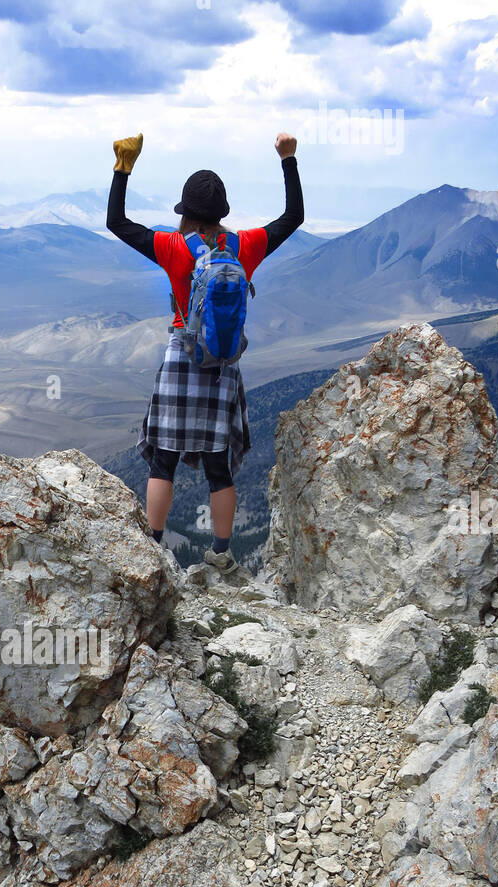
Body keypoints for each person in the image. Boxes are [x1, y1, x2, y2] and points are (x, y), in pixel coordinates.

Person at [106, 130, 304, 572]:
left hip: (181, 356)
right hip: (222, 365)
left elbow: (116, 223)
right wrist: (288, 159)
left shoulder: (173, 247)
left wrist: (123, 167)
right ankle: (221, 553)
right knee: (219, 467)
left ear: (187, 213)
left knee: (163, 460)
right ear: (222, 212)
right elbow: (294, 217)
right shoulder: (244, 246)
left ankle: (153, 547)